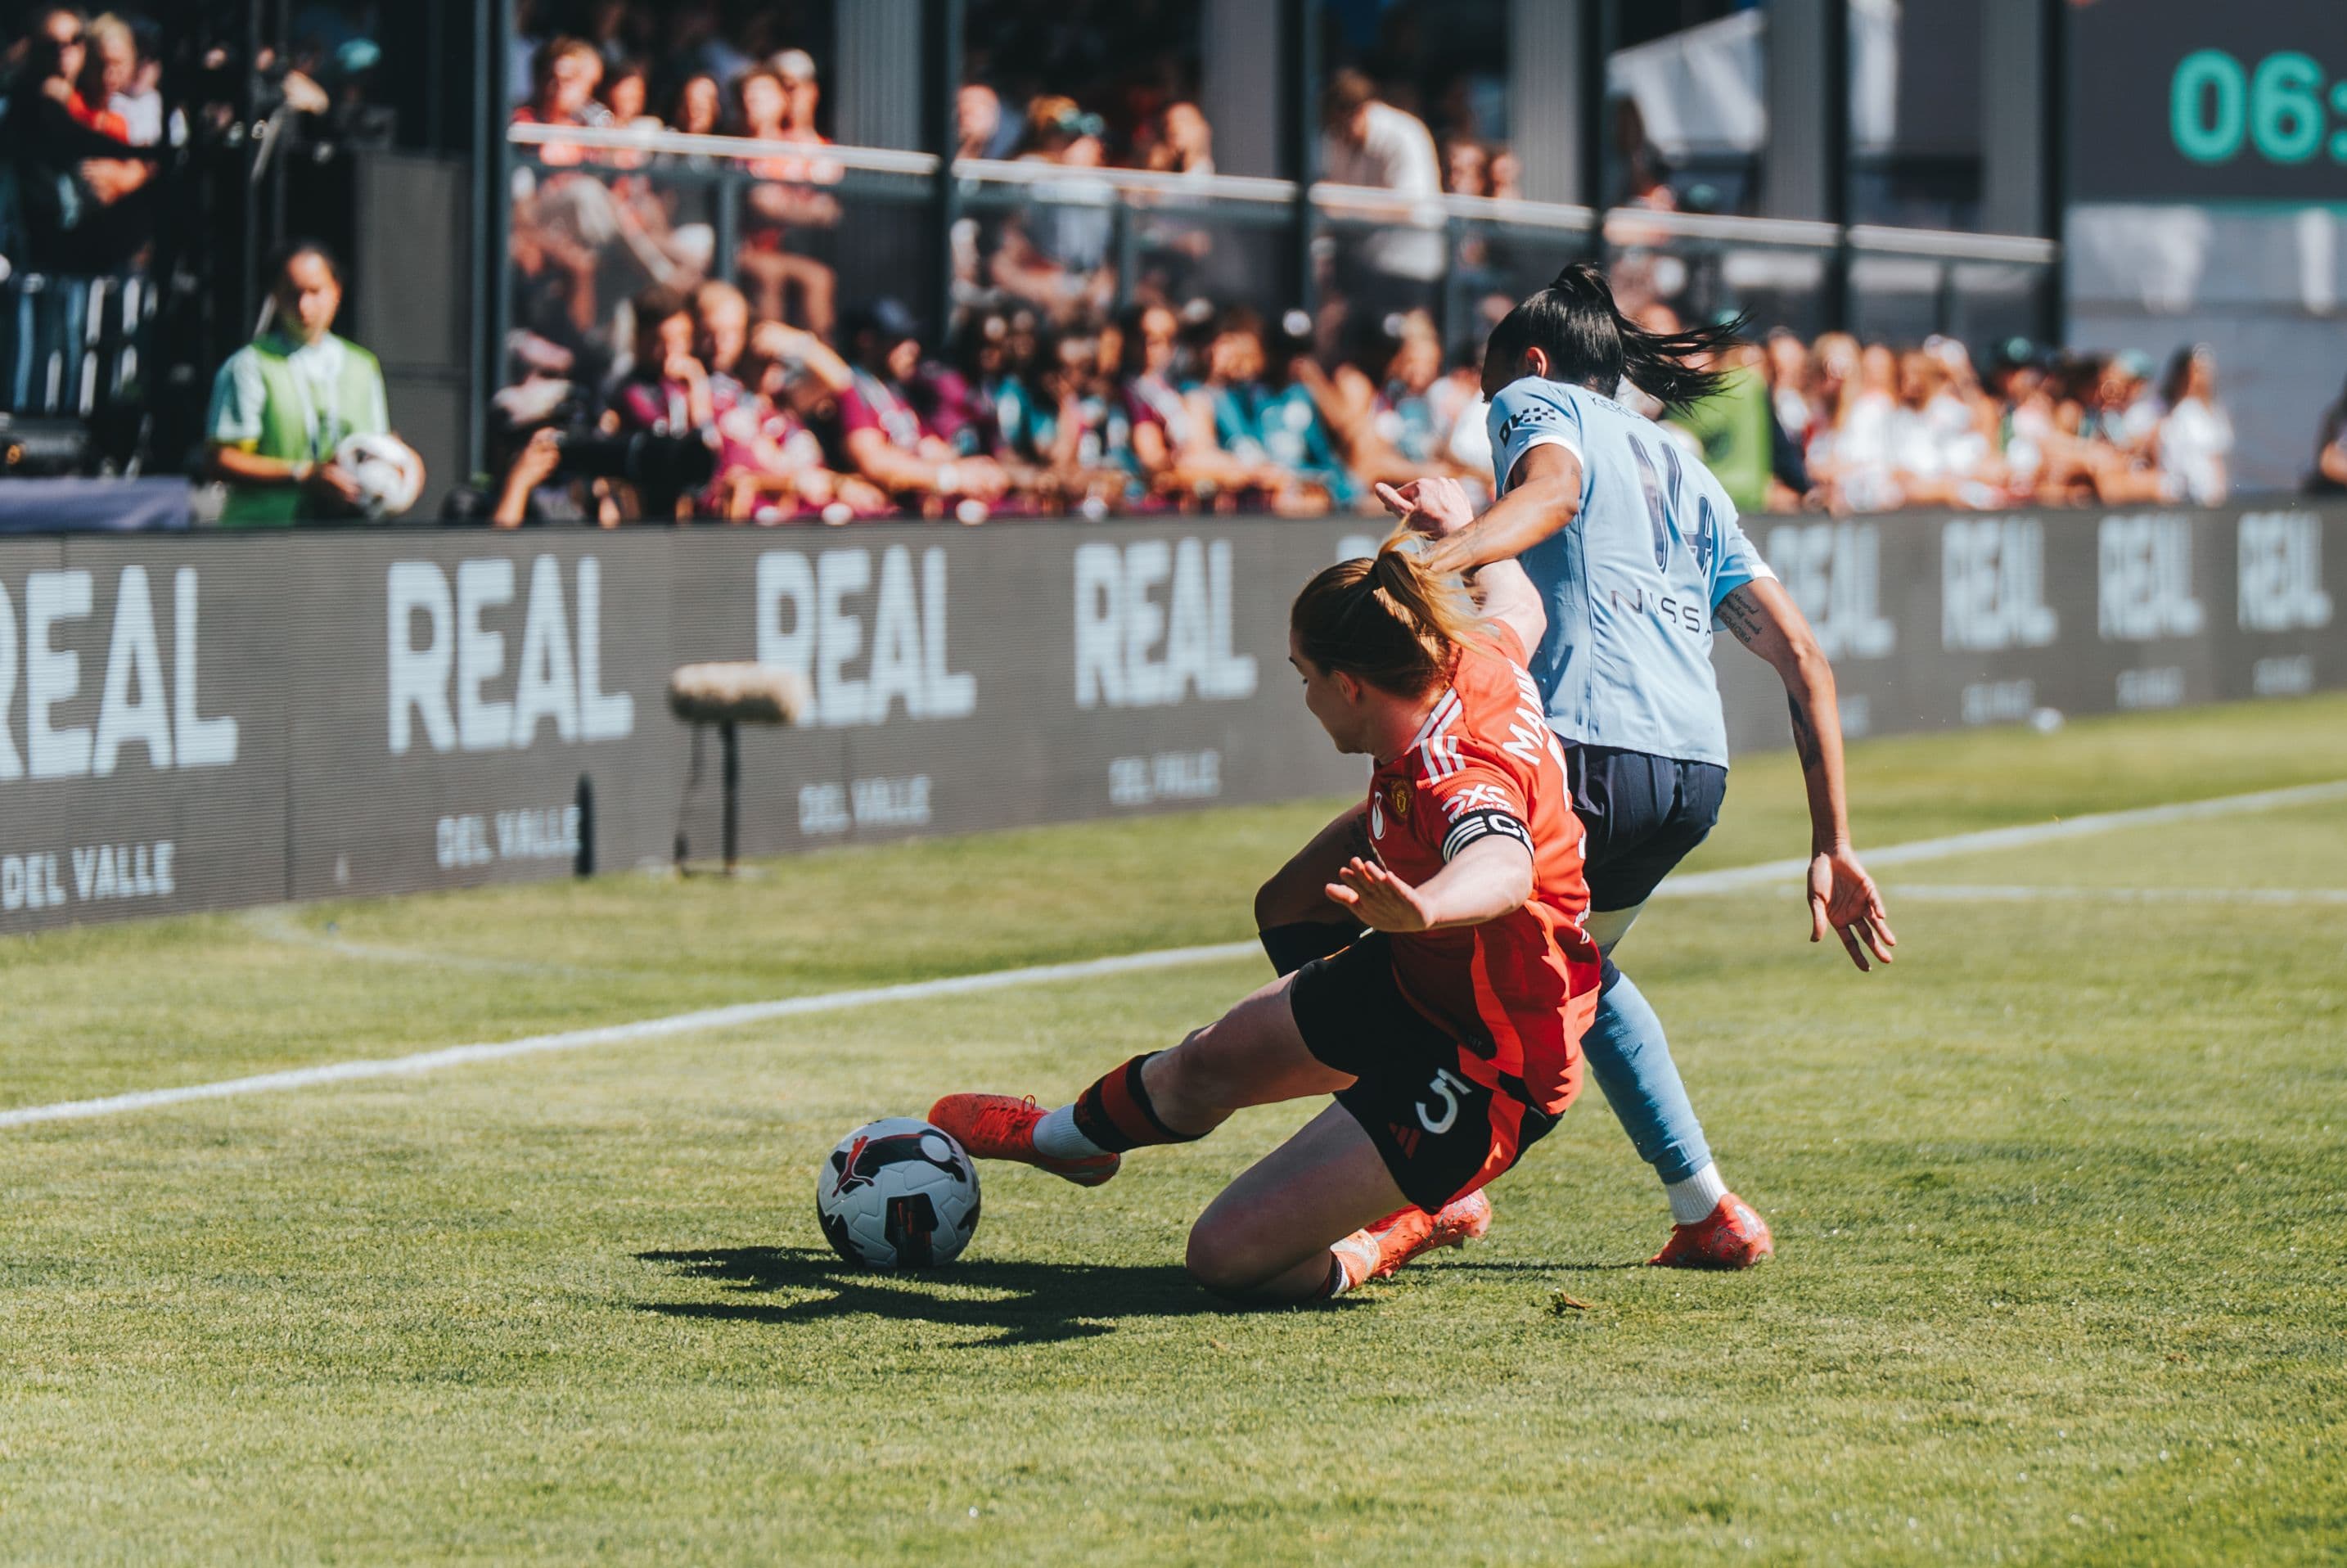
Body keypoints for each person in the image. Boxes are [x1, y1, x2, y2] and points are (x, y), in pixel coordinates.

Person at [1376, 263, 1896, 1268]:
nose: (1499, 419)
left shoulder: (1536, 399)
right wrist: (1835, 841)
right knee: (1582, 969)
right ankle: (1706, 1209)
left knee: (1423, 943)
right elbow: (1805, 659)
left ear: (1528, 365)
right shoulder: (1681, 465)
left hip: (1584, 749)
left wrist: (1424, 565)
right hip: (1691, 772)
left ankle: (1426, 1187)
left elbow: (1555, 492)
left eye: (1492, 399)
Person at [930, 529, 1601, 1304]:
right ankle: (1063, 1141)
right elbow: (1519, 600)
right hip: (1418, 978)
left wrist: (1428, 907)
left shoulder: (1455, 769)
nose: (1305, 696)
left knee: (1226, 1257)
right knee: (1207, 1060)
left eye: (1304, 677)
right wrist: (1467, 532)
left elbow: (1503, 863)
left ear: (1350, 685)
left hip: (1493, 1058)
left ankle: (1395, 1229)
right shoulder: (1468, 656)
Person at [207, 242, 408, 526]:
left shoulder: (362, 366)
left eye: (314, 292)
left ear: (336, 291)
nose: (304, 306)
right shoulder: (250, 364)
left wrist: (400, 469)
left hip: (339, 537)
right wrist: (303, 475)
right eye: (292, 294)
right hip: (263, 535)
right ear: (276, 296)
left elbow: (373, 447)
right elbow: (221, 460)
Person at [2157, 345, 2232, 507]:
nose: (2197, 377)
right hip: (2173, 494)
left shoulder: (2213, 411)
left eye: (2203, 371)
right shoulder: (2162, 409)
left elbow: (2216, 459)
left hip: (2205, 497)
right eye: (2193, 371)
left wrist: (2219, 495)